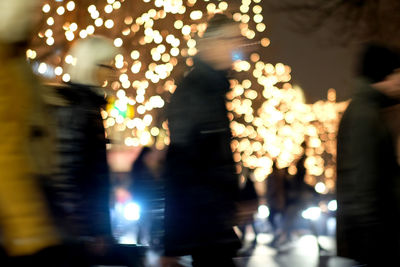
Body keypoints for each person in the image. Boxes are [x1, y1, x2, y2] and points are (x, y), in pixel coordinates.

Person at [161, 13, 246, 267]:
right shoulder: (197, 91)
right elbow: (180, 164)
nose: (237, 46)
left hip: (214, 222)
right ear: (211, 42)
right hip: (206, 225)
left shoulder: (212, 89)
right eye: (231, 39)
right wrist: (172, 244)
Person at [0, 0, 66, 265]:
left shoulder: (17, 66)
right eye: (29, 10)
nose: (35, 17)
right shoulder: (8, 69)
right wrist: (31, 228)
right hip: (17, 218)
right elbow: (7, 153)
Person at [46, 36, 119, 263]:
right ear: (91, 66)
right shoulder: (79, 107)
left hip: (78, 225)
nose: (112, 73)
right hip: (76, 228)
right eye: (108, 65)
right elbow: (72, 169)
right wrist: (91, 228)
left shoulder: (86, 105)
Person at [336, 43, 400, 266]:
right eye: (398, 73)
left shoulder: (368, 110)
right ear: (385, 74)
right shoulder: (365, 115)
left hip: (373, 234)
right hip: (374, 236)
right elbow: (364, 180)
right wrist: (374, 235)